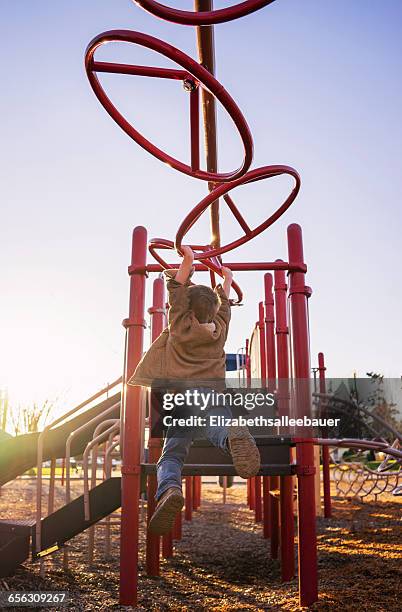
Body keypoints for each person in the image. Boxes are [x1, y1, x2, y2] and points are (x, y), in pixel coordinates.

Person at [129, 246, 260, 535]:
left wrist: (188, 259)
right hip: (212, 394)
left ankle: (170, 490)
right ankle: (230, 437)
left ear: (186, 308)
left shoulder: (179, 325)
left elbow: (175, 288)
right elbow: (223, 302)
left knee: (172, 455)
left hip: (180, 399)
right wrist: (225, 278)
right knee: (216, 424)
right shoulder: (220, 329)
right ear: (214, 310)